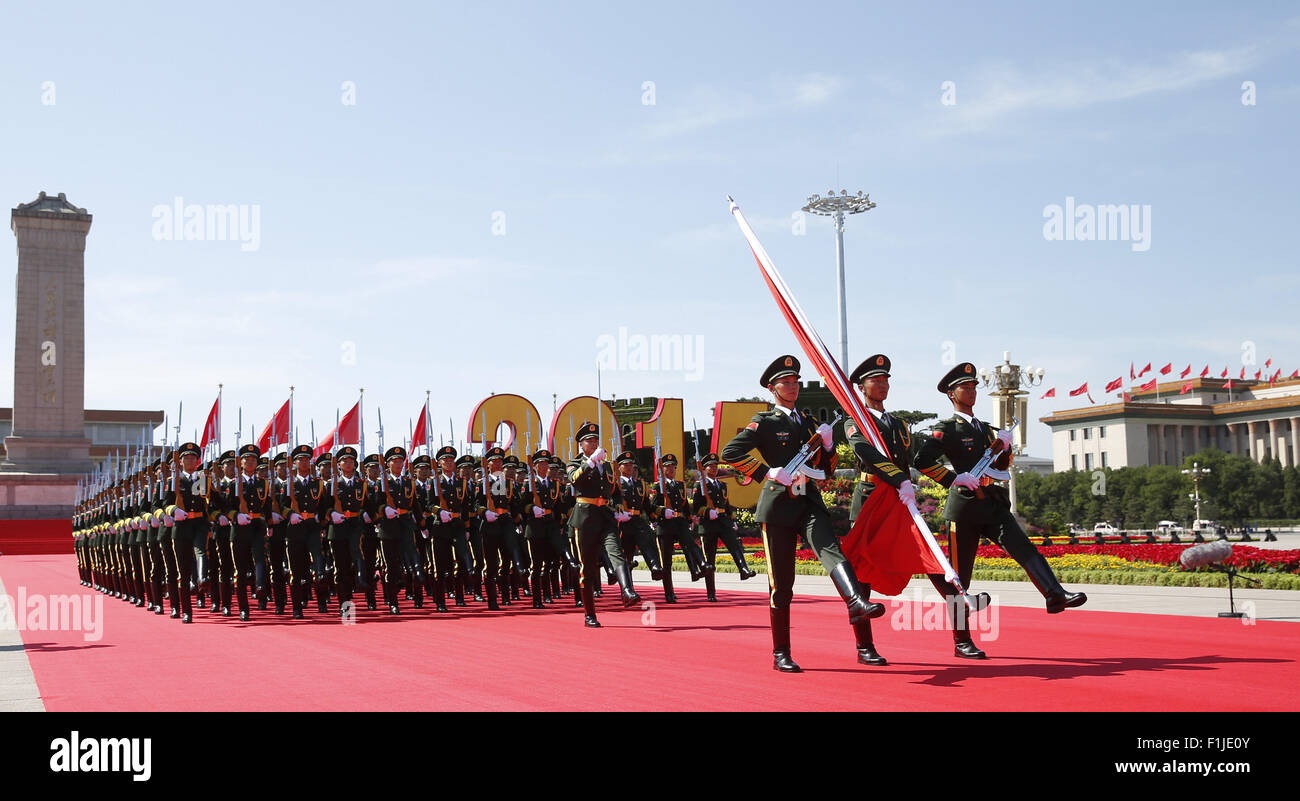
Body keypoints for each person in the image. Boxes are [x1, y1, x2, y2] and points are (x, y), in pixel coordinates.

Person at [721, 355, 884, 672]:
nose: (792, 386)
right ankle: (781, 652)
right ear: (773, 388)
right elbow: (731, 452)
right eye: (786, 382)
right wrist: (768, 472)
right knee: (782, 584)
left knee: (832, 551)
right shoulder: (765, 422)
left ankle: (855, 603)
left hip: (808, 500)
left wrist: (828, 447)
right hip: (779, 505)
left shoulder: (808, 423)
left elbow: (829, 470)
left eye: (795, 381)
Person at [914, 362, 1087, 644]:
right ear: (951, 394)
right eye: (964, 388)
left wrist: (1006, 448)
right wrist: (954, 478)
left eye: (973, 387)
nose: (971, 392)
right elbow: (921, 461)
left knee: (1024, 547)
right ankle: (962, 641)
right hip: (964, 508)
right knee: (960, 578)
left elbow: (1000, 467)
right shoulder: (946, 428)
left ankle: (1054, 595)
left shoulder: (985, 429)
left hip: (992, 502)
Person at [566, 422, 641, 627]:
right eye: (589, 441)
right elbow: (574, 481)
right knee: (588, 568)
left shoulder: (608, 465)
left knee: (616, 551)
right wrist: (590, 461)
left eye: (596, 440)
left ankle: (627, 591)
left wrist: (617, 505)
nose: (594, 443)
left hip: (605, 516)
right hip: (585, 518)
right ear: (581, 445)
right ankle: (590, 614)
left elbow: (615, 490)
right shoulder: (574, 463)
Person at [692, 452, 757, 602]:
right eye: (711, 467)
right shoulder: (700, 485)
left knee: (735, 546)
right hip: (708, 525)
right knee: (710, 560)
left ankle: (744, 570)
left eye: (716, 466)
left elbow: (726, 505)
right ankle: (711, 592)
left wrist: (732, 519)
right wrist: (707, 512)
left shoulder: (722, 485)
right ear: (705, 469)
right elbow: (696, 507)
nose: (714, 469)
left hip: (723, 521)